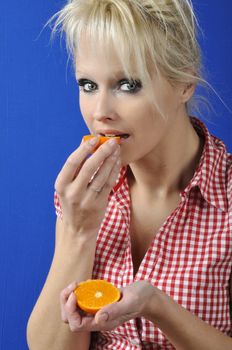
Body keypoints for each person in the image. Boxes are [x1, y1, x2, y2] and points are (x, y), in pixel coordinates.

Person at [27, 1, 232, 349]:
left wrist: (157, 307)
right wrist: (79, 231)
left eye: (128, 84)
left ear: (183, 82)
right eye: (88, 85)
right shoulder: (83, 194)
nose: (100, 113)